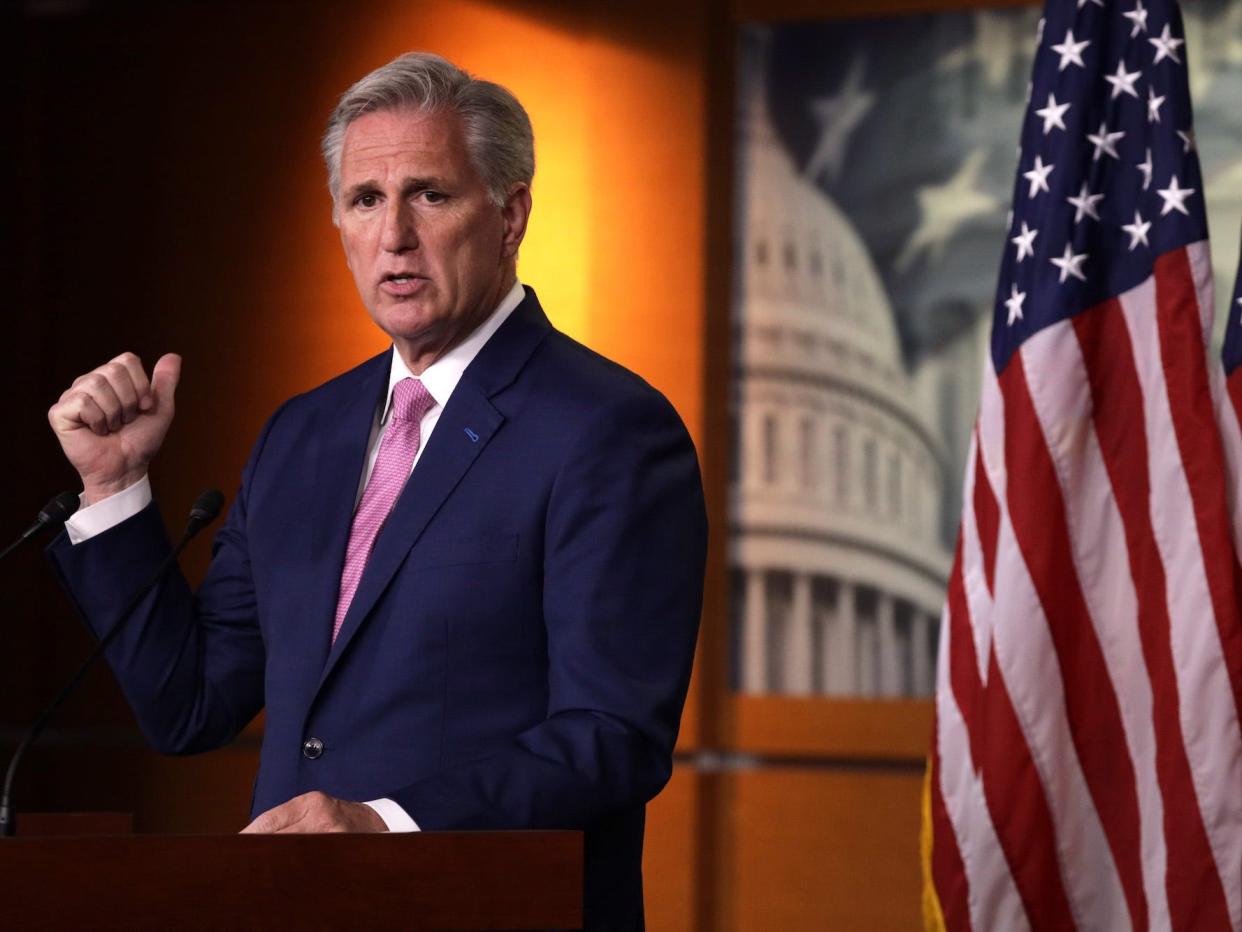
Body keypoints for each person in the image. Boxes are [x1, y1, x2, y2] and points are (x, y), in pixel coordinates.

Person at [44, 52, 706, 929]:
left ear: (509, 215)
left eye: (429, 194)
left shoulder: (607, 429)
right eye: (365, 200)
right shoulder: (302, 434)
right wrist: (116, 486)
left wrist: (385, 825)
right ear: (340, 224)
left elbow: (611, 737)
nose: (393, 234)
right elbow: (191, 703)